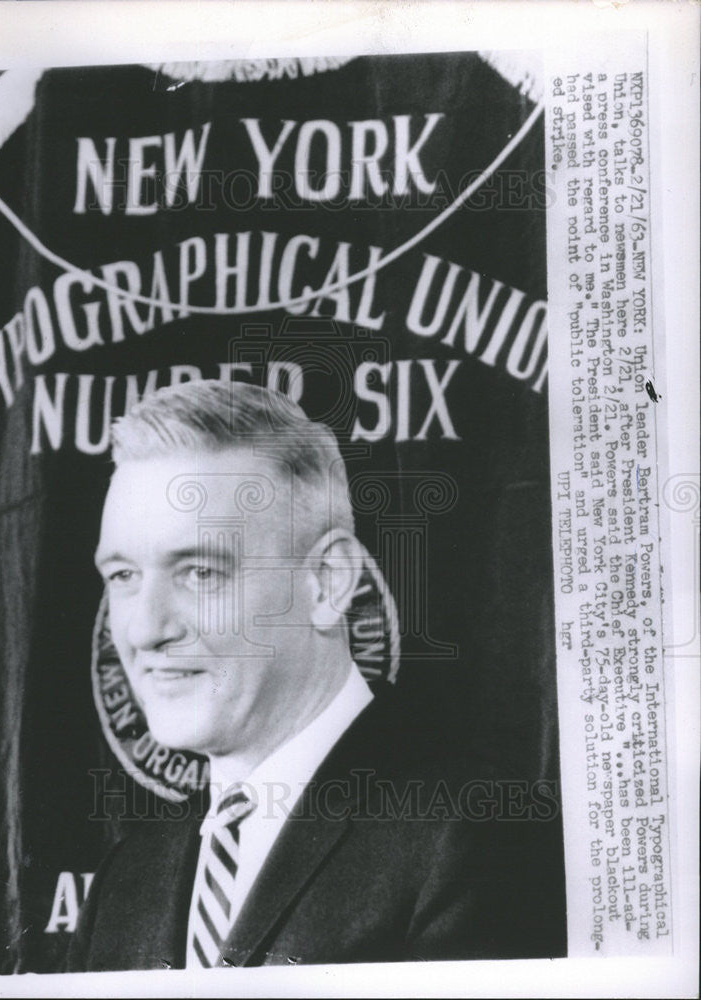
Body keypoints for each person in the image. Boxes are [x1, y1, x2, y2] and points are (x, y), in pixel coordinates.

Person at [67, 379, 566, 971]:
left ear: (327, 582)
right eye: (123, 576)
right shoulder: (126, 881)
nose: (145, 630)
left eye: (200, 571)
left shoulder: (475, 835)